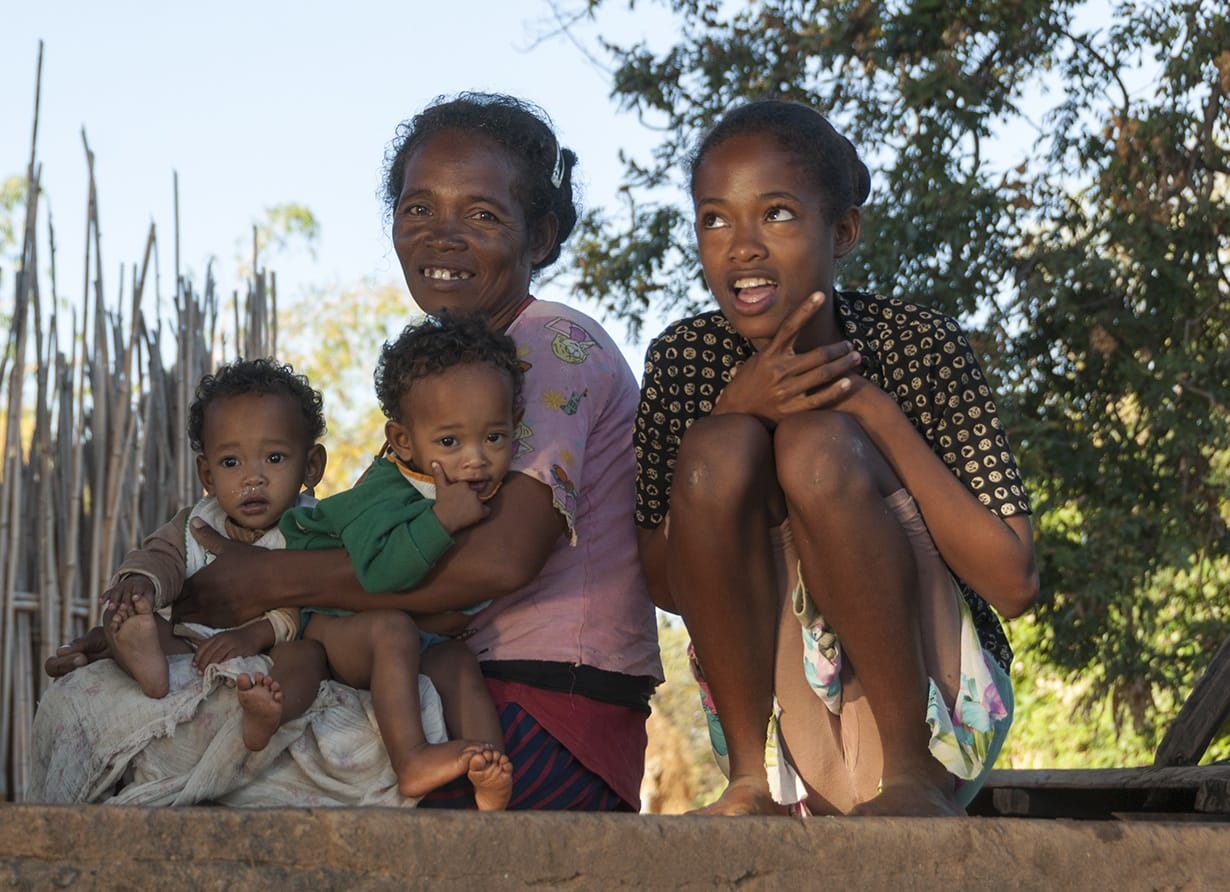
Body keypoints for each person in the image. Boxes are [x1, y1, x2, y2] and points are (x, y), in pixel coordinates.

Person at [46, 92, 663, 811]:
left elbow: (498, 561)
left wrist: (273, 580)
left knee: (220, 803)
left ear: (543, 234)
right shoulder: (440, 388)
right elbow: (361, 552)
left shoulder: (552, 347)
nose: (443, 235)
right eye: (418, 209)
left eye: (484, 214)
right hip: (446, 684)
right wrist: (147, 632)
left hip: (548, 703)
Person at [634, 100, 1039, 817]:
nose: (743, 245)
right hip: (781, 708)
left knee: (817, 446)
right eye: (714, 219)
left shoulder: (919, 345)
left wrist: (871, 411)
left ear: (843, 231)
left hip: (940, 701)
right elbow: (667, 586)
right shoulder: (685, 359)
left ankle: (909, 772)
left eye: (778, 214)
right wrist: (736, 408)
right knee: (718, 444)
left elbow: (1013, 583)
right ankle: (748, 784)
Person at [279, 312, 521, 810]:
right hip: (331, 627)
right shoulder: (383, 489)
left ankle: (488, 770)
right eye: (450, 442)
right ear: (403, 440)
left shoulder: (472, 485)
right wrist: (444, 522)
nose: (475, 459)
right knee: (392, 629)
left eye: (494, 438)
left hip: (406, 631)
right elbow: (379, 575)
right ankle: (411, 760)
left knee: (455, 661)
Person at [100, 358, 329, 753]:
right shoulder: (198, 523)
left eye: (274, 458)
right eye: (230, 462)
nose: (251, 477)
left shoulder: (313, 527)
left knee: (309, 656)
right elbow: (163, 556)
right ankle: (148, 668)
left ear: (311, 466)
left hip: (271, 649)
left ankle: (272, 710)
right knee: (119, 619)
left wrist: (254, 634)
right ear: (207, 476)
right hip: (196, 647)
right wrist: (142, 585)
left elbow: (310, 602)